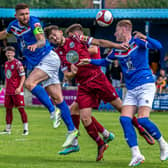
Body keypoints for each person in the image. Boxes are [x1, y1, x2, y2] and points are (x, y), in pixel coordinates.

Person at [45, 24, 154, 161]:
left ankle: (141, 129)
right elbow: (66, 74)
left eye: (55, 34)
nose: (54, 38)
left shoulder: (77, 38)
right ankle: (100, 143)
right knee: (85, 118)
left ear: (61, 33)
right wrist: (72, 74)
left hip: (97, 79)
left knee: (121, 107)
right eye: (51, 38)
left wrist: (117, 46)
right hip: (84, 85)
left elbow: (99, 43)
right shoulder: (58, 53)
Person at [79, 19, 168, 166]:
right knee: (125, 119)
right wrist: (89, 61)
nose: (114, 34)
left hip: (145, 85)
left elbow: (158, 46)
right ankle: (136, 154)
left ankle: (164, 145)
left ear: (124, 30)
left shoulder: (137, 42)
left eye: (116, 31)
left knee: (142, 120)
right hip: (132, 89)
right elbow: (105, 62)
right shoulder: (117, 49)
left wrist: (145, 37)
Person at [0, 3, 78, 148]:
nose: (25, 17)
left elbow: (41, 39)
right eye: (22, 14)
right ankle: (72, 133)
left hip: (47, 58)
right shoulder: (13, 26)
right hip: (43, 62)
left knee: (29, 84)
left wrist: (36, 44)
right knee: (58, 98)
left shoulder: (34, 22)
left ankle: (53, 110)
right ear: (16, 16)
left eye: (27, 13)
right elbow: (4, 34)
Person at [0, 46, 28, 135]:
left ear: (14, 53)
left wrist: (19, 87)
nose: (9, 54)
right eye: (7, 52)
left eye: (10, 52)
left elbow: (23, 76)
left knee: (21, 109)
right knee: (8, 109)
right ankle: (8, 129)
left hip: (16, 90)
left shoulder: (18, 63)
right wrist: (4, 88)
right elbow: (7, 78)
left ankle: (26, 129)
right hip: (8, 91)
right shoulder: (6, 64)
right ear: (5, 54)